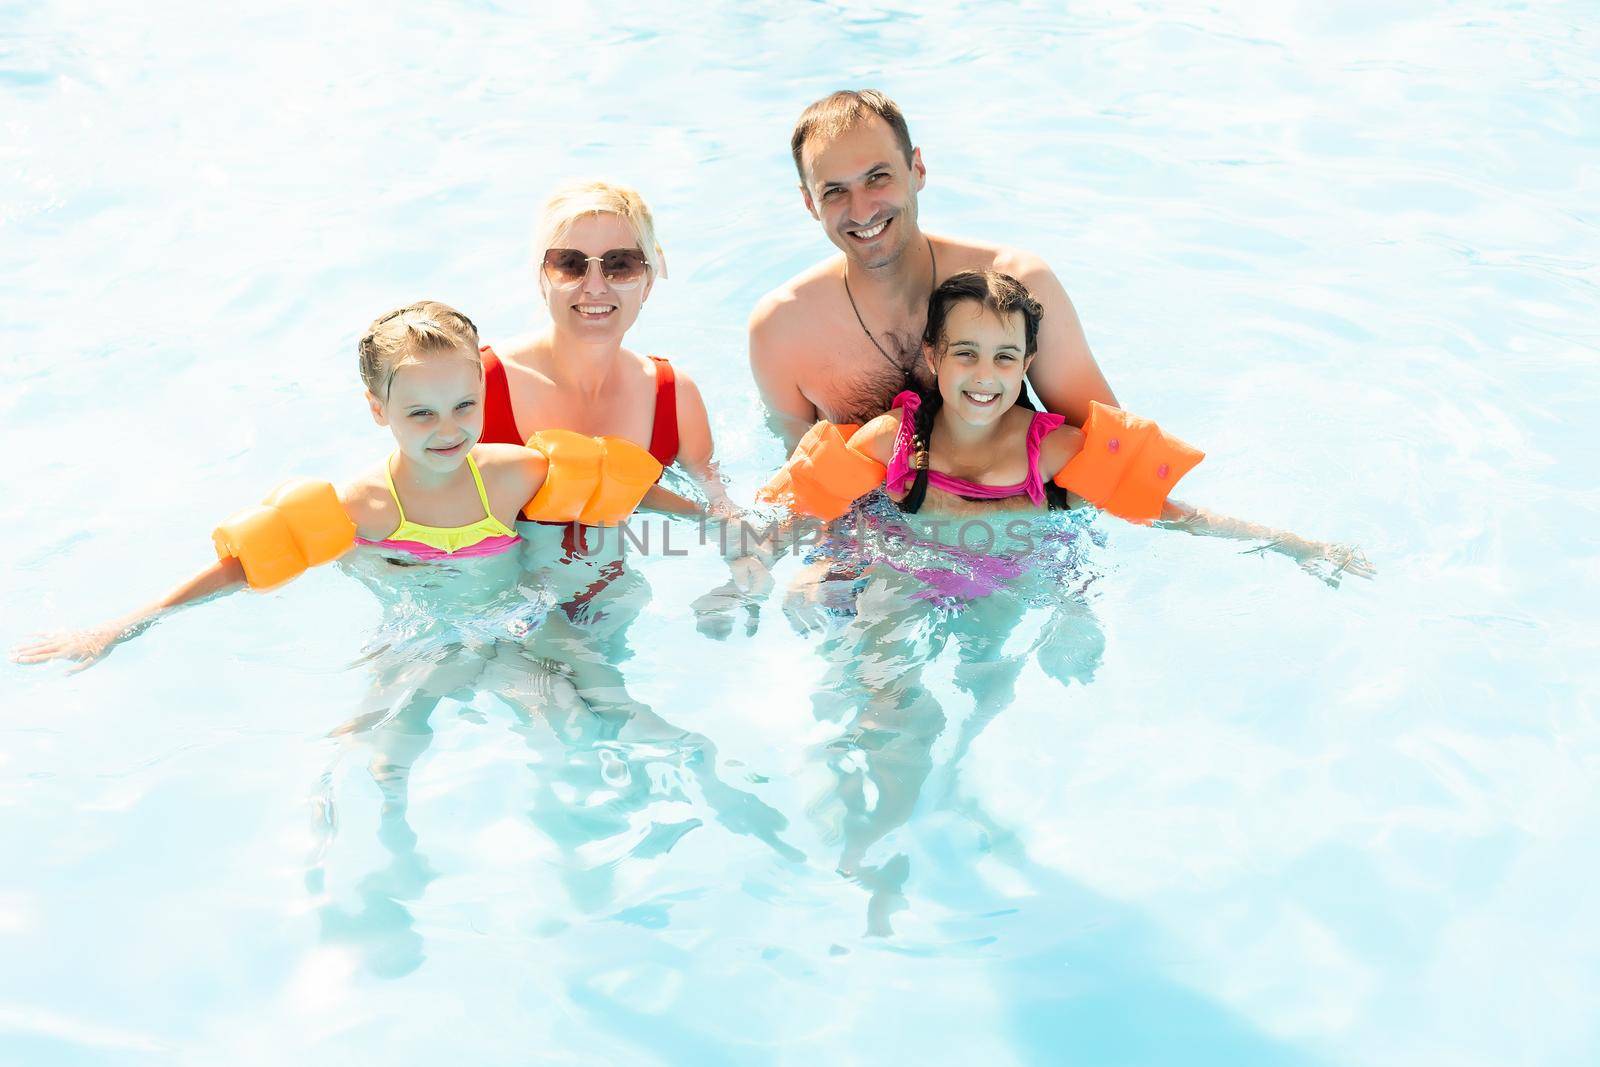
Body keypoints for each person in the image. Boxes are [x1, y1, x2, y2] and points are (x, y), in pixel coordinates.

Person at [10, 301, 690, 671]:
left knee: (601, 701)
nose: (448, 429)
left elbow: (618, 484)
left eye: (463, 406)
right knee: (384, 752)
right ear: (377, 411)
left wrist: (720, 519)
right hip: (418, 636)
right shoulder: (361, 507)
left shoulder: (511, 472)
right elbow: (243, 565)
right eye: (420, 413)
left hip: (521, 622)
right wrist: (125, 625)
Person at [764, 270, 1374, 580]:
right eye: (965, 354)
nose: (985, 376)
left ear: (1026, 365)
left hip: (1018, 585)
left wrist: (1298, 547)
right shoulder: (893, 442)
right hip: (907, 579)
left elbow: (1169, 515)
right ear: (933, 357)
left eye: (1005, 358)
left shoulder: (1053, 455)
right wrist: (759, 569)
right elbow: (794, 506)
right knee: (878, 694)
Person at [749, 89, 1117, 449]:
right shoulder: (782, 331)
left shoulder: (1018, 284)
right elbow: (801, 487)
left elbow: (1111, 445)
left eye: (878, 177)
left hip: (1017, 507)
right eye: (834, 192)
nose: (861, 212)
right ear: (809, 203)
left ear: (917, 169)